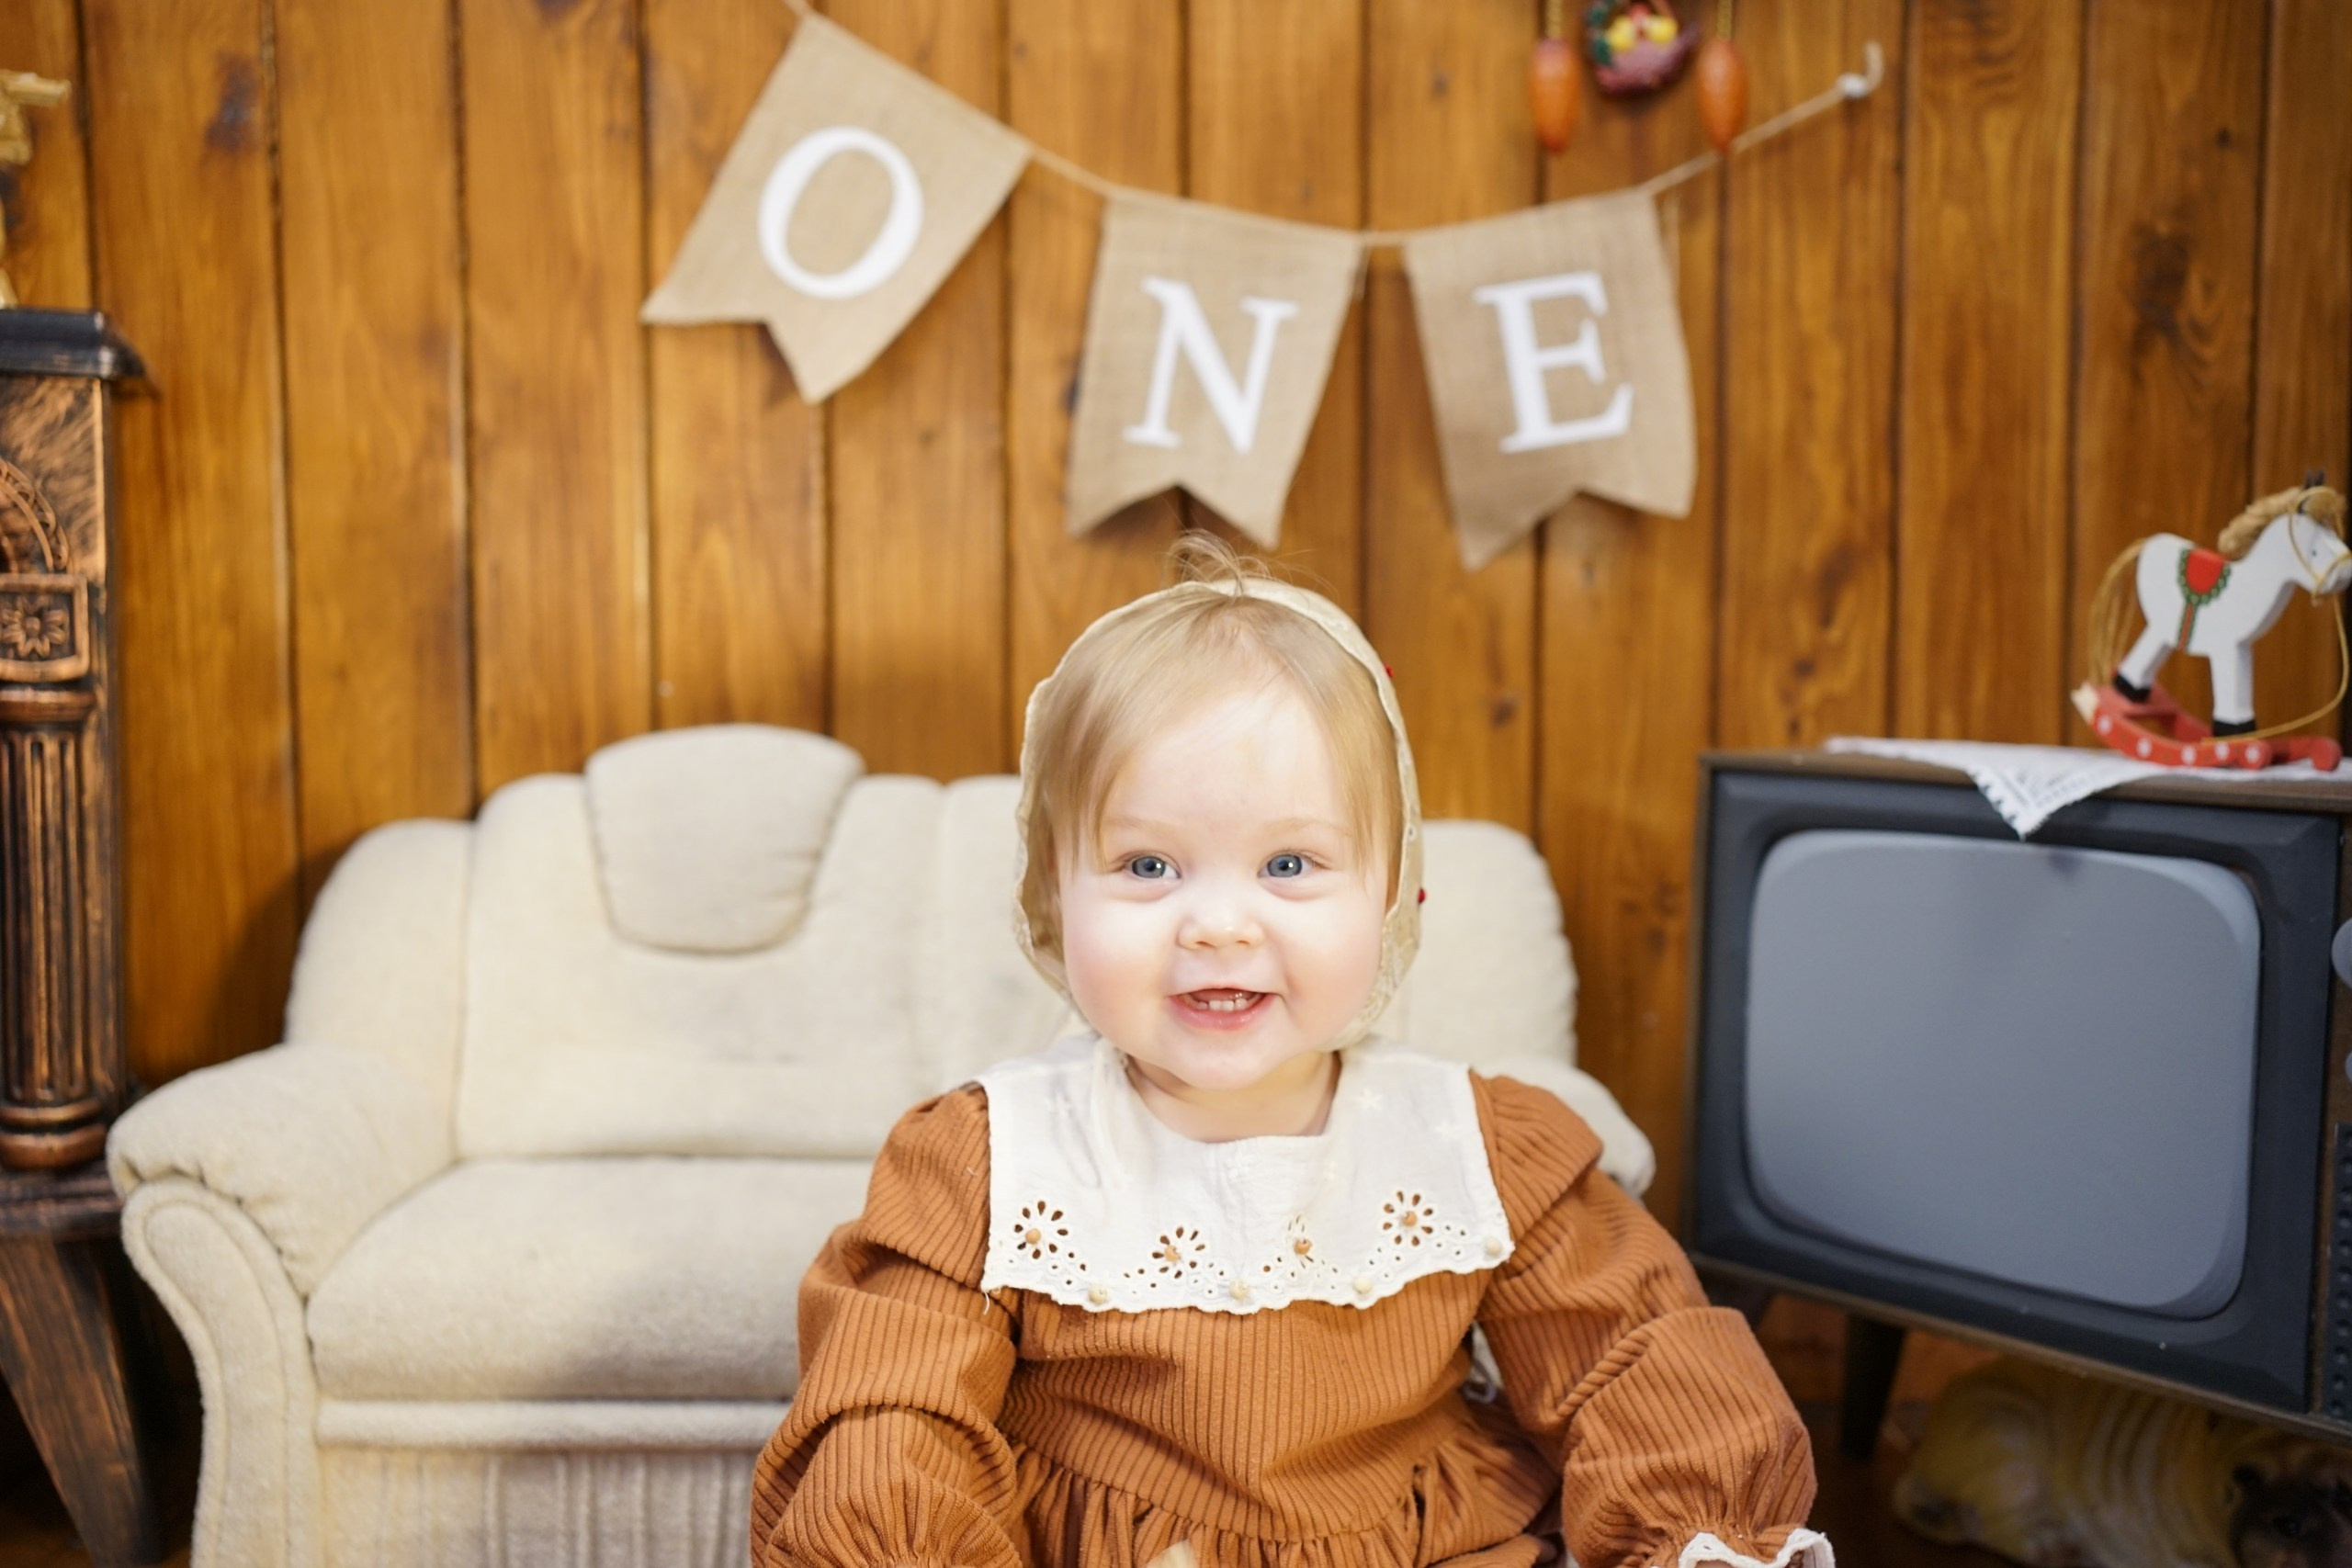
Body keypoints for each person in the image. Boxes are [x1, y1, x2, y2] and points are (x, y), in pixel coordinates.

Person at [750, 539, 1827, 1568]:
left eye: (1289, 864)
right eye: (1147, 865)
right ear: (1050, 898)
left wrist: (1702, 1532)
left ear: (1390, 892)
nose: (1221, 925)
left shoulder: (1482, 1147)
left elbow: (1632, 1360)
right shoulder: (983, 1162)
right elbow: (893, 1412)